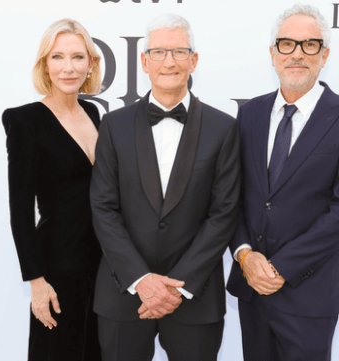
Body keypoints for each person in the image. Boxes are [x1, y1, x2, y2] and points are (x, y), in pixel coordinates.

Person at [226, 4, 339, 361]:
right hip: (253, 287)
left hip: (308, 292)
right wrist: (245, 257)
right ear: (273, 54)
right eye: (287, 44)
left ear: (324, 55)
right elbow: (233, 195)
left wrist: (281, 268)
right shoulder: (250, 114)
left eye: (309, 45)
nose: (297, 54)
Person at [89, 14, 240, 361]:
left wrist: (176, 287)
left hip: (195, 296)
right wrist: (141, 280)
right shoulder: (114, 125)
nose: (169, 61)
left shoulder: (223, 128)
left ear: (194, 60)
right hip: (123, 293)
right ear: (144, 61)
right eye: (158, 52)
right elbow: (103, 208)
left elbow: (224, 213)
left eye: (178, 51)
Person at [2, 19, 103, 361]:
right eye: (58, 57)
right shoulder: (25, 121)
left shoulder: (93, 113)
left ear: (91, 63)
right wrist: (36, 281)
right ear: (45, 64)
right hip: (58, 268)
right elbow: (19, 209)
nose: (69, 68)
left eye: (78, 57)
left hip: (103, 267)